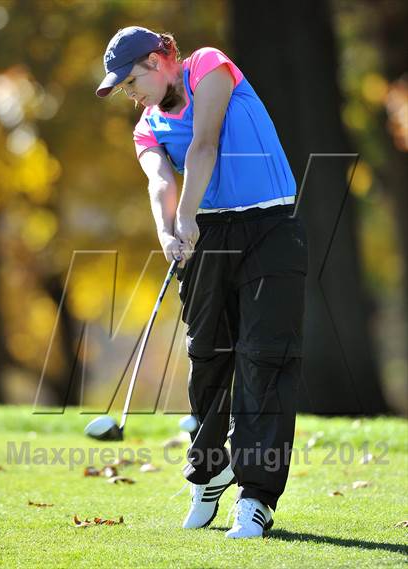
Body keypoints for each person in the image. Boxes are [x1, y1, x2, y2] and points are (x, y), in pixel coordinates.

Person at [96, 26, 308, 539]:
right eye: (122, 87)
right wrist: (170, 231)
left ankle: (256, 497)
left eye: (131, 80)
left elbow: (205, 145)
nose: (130, 92)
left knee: (264, 358)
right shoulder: (147, 126)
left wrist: (187, 215)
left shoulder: (207, 67)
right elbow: (159, 181)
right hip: (208, 235)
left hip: (269, 225)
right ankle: (209, 472)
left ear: (157, 59)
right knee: (207, 359)